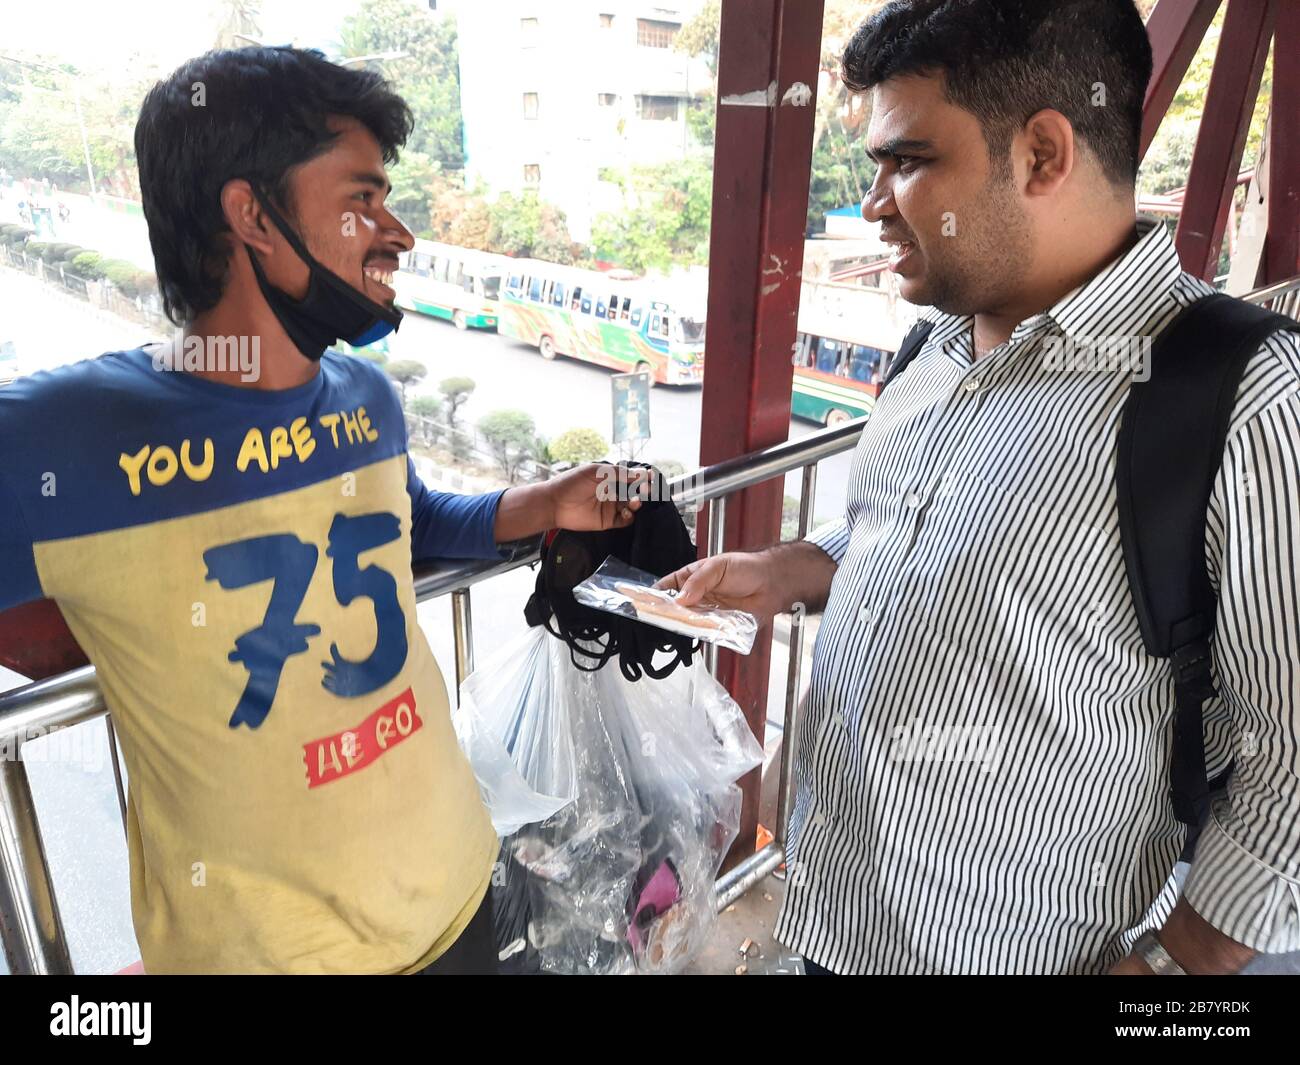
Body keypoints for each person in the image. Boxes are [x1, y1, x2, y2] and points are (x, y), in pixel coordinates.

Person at [659, 0, 1299, 975]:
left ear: (1042, 154)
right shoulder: (929, 348)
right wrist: (793, 566)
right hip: (830, 923)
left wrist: (1172, 971)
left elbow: (1289, 759)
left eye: (907, 160)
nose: (874, 200)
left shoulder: (1238, 400)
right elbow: (908, 538)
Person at [0, 46, 646, 975]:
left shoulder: (365, 399)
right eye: (363, 199)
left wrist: (546, 501)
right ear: (250, 214)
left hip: (460, 888)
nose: (398, 233)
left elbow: (406, 528)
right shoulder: (58, 440)